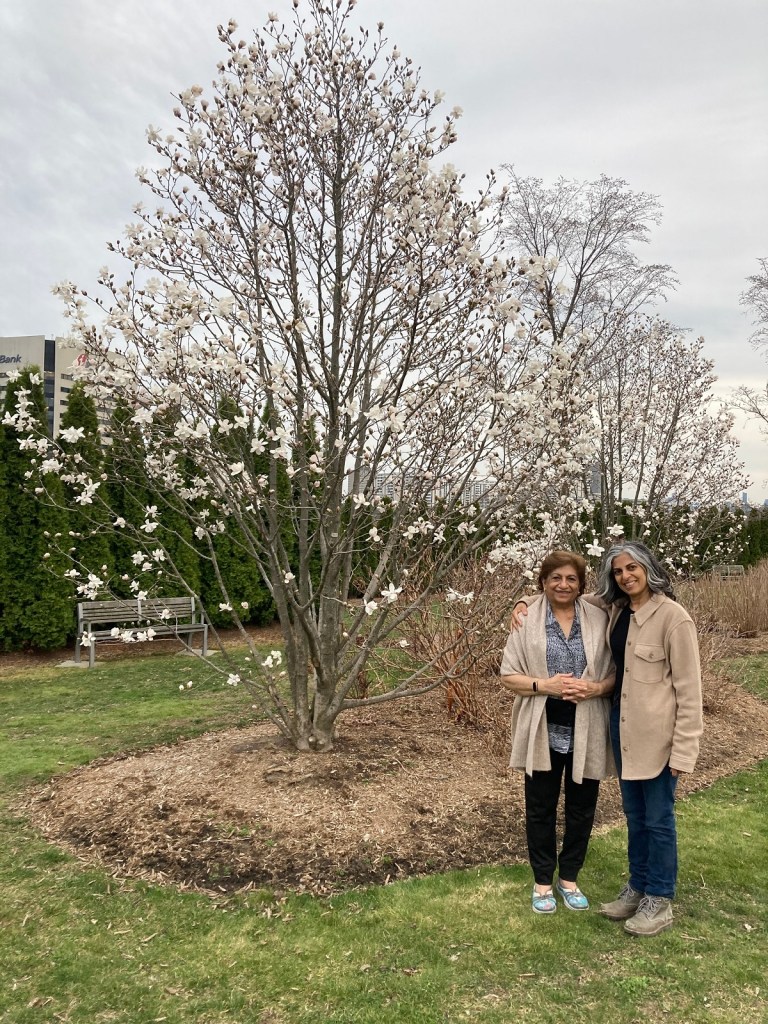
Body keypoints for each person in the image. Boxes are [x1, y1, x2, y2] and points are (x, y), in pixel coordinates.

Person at [511, 541, 703, 936]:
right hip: (621, 734)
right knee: (636, 817)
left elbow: (690, 692)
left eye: (633, 568)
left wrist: (685, 750)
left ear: (649, 567)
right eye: (618, 571)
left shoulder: (673, 618)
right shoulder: (617, 610)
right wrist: (524, 601)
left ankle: (659, 898)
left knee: (660, 819)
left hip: (653, 736)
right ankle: (637, 886)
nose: (626, 576)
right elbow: (561, 590)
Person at [500, 550, 615, 914]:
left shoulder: (598, 615)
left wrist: (595, 689)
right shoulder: (527, 619)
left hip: (587, 728)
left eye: (571, 579)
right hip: (543, 729)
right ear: (543, 582)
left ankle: (570, 879)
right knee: (540, 808)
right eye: (555, 578)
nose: (563, 585)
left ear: (581, 584)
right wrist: (544, 685)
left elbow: (617, 673)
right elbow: (508, 675)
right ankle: (542, 882)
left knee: (582, 809)